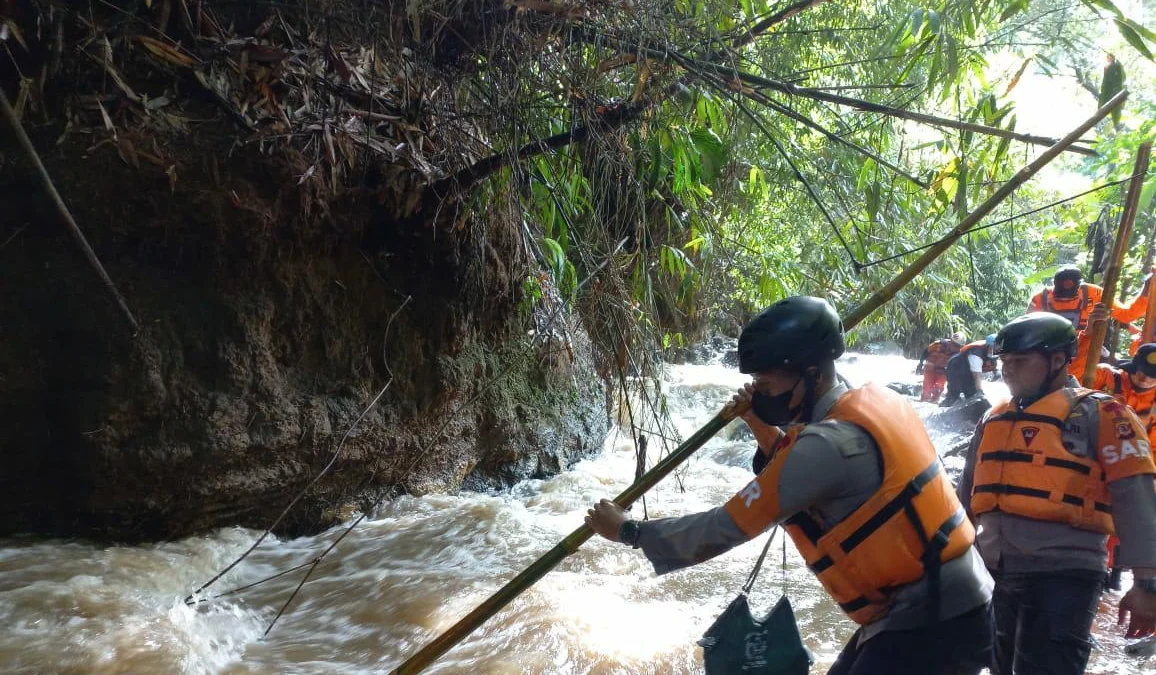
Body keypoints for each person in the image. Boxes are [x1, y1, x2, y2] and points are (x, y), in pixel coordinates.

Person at [586, 296, 993, 675]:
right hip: (939, 603)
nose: (760, 393)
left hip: (936, 615)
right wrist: (757, 420)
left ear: (811, 375)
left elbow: (724, 525)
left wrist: (629, 531)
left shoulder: (828, 445)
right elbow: (805, 467)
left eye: (767, 385)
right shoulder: (858, 404)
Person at [956, 312, 1156, 675]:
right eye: (1004, 362)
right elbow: (966, 498)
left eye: (1020, 361)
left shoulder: (1102, 413)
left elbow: (1137, 497)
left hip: (1065, 576)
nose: (1008, 371)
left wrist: (1147, 583)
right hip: (997, 572)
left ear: (1058, 361)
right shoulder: (993, 417)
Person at [1028, 264, 1147, 330]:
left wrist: (1147, 289)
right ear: (1054, 283)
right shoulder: (1040, 299)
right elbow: (1027, 328)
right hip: (1049, 356)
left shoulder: (1095, 294)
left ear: (1078, 286)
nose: (1065, 299)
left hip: (1086, 355)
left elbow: (1126, 315)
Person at [940, 335, 997, 407]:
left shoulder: (992, 352)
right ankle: (941, 412)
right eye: (994, 348)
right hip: (955, 366)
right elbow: (977, 375)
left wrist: (996, 372)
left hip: (967, 371)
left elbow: (993, 362)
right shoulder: (976, 354)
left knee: (971, 395)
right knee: (955, 395)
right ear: (988, 346)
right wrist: (980, 393)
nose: (996, 350)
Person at [916, 332, 966, 403]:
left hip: (943, 371)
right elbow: (926, 351)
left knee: (938, 389)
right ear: (951, 341)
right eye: (955, 345)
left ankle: (933, 404)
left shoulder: (960, 354)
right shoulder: (938, 344)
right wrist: (920, 364)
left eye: (958, 346)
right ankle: (923, 400)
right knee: (927, 390)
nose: (956, 348)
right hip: (930, 368)